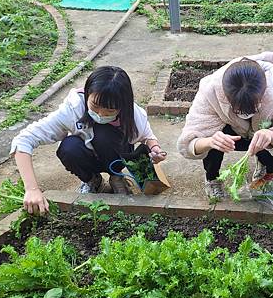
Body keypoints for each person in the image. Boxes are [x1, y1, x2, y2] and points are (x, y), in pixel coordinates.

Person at [10, 66, 166, 215]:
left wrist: (155, 150)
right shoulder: (73, 108)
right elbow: (23, 140)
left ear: (122, 107)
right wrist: (31, 189)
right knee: (69, 147)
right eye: (95, 106)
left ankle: (117, 177)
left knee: (105, 134)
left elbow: (148, 137)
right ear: (87, 94)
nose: (100, 114)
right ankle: (93, 181)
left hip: (116, 155)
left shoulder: (133, 115)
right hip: (86, 155)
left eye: (110, 111)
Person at [177, 51, 273, 199]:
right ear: (225, 97)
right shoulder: (211, 92)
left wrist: (272, 136)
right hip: (232, 137)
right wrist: (209, 141)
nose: (245, 114)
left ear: (264, 94)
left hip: (260, 137)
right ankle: (212, 178)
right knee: (212, 138)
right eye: (237, 109)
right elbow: (186, 143)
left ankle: (266, 166)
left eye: (254, 108)